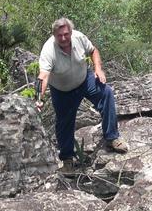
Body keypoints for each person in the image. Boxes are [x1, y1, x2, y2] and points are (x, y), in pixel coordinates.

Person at [37, 18, 128, 175]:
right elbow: (43, 76)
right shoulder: (48, 50)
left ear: (71, 32)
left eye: (66, 34)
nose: (64, 38)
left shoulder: (79, 37)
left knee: (106, 93)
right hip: (62, 90)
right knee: (64, 123)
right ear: (54, 35)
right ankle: (67, 161)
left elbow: (93, 50)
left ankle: (112, 137)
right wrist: (39, 98)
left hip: (84, 80)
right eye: (60, 35)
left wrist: (98, 69)